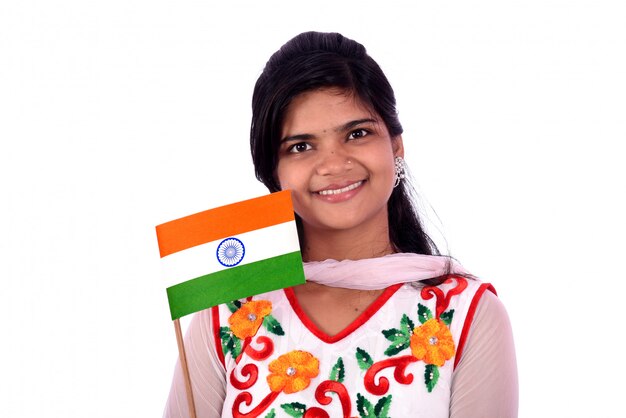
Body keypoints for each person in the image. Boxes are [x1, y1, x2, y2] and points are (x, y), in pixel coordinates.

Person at [164, 31, 518, 417]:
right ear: (273, 172)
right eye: (300, 146)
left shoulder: (464, 314)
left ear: (396, 145)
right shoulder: (230, 315)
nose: (334, 164)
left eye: (357, 133)